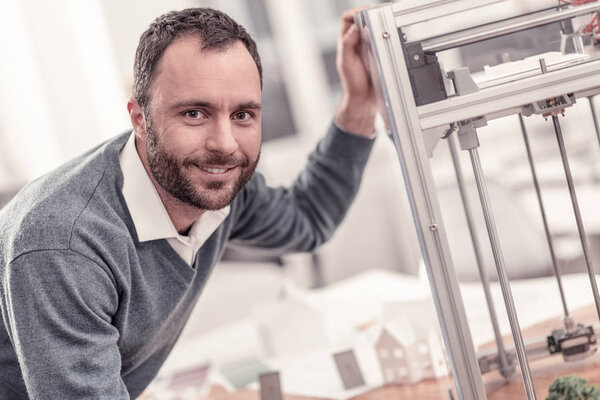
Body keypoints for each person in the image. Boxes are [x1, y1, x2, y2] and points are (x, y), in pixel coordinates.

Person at [0, 6, 377, 399]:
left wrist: (360, 102)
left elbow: (308, 217)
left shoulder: (217, 184)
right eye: (195, 113)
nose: (226, 144)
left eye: (243, 114)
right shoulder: (65, 246)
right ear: (140, 119)